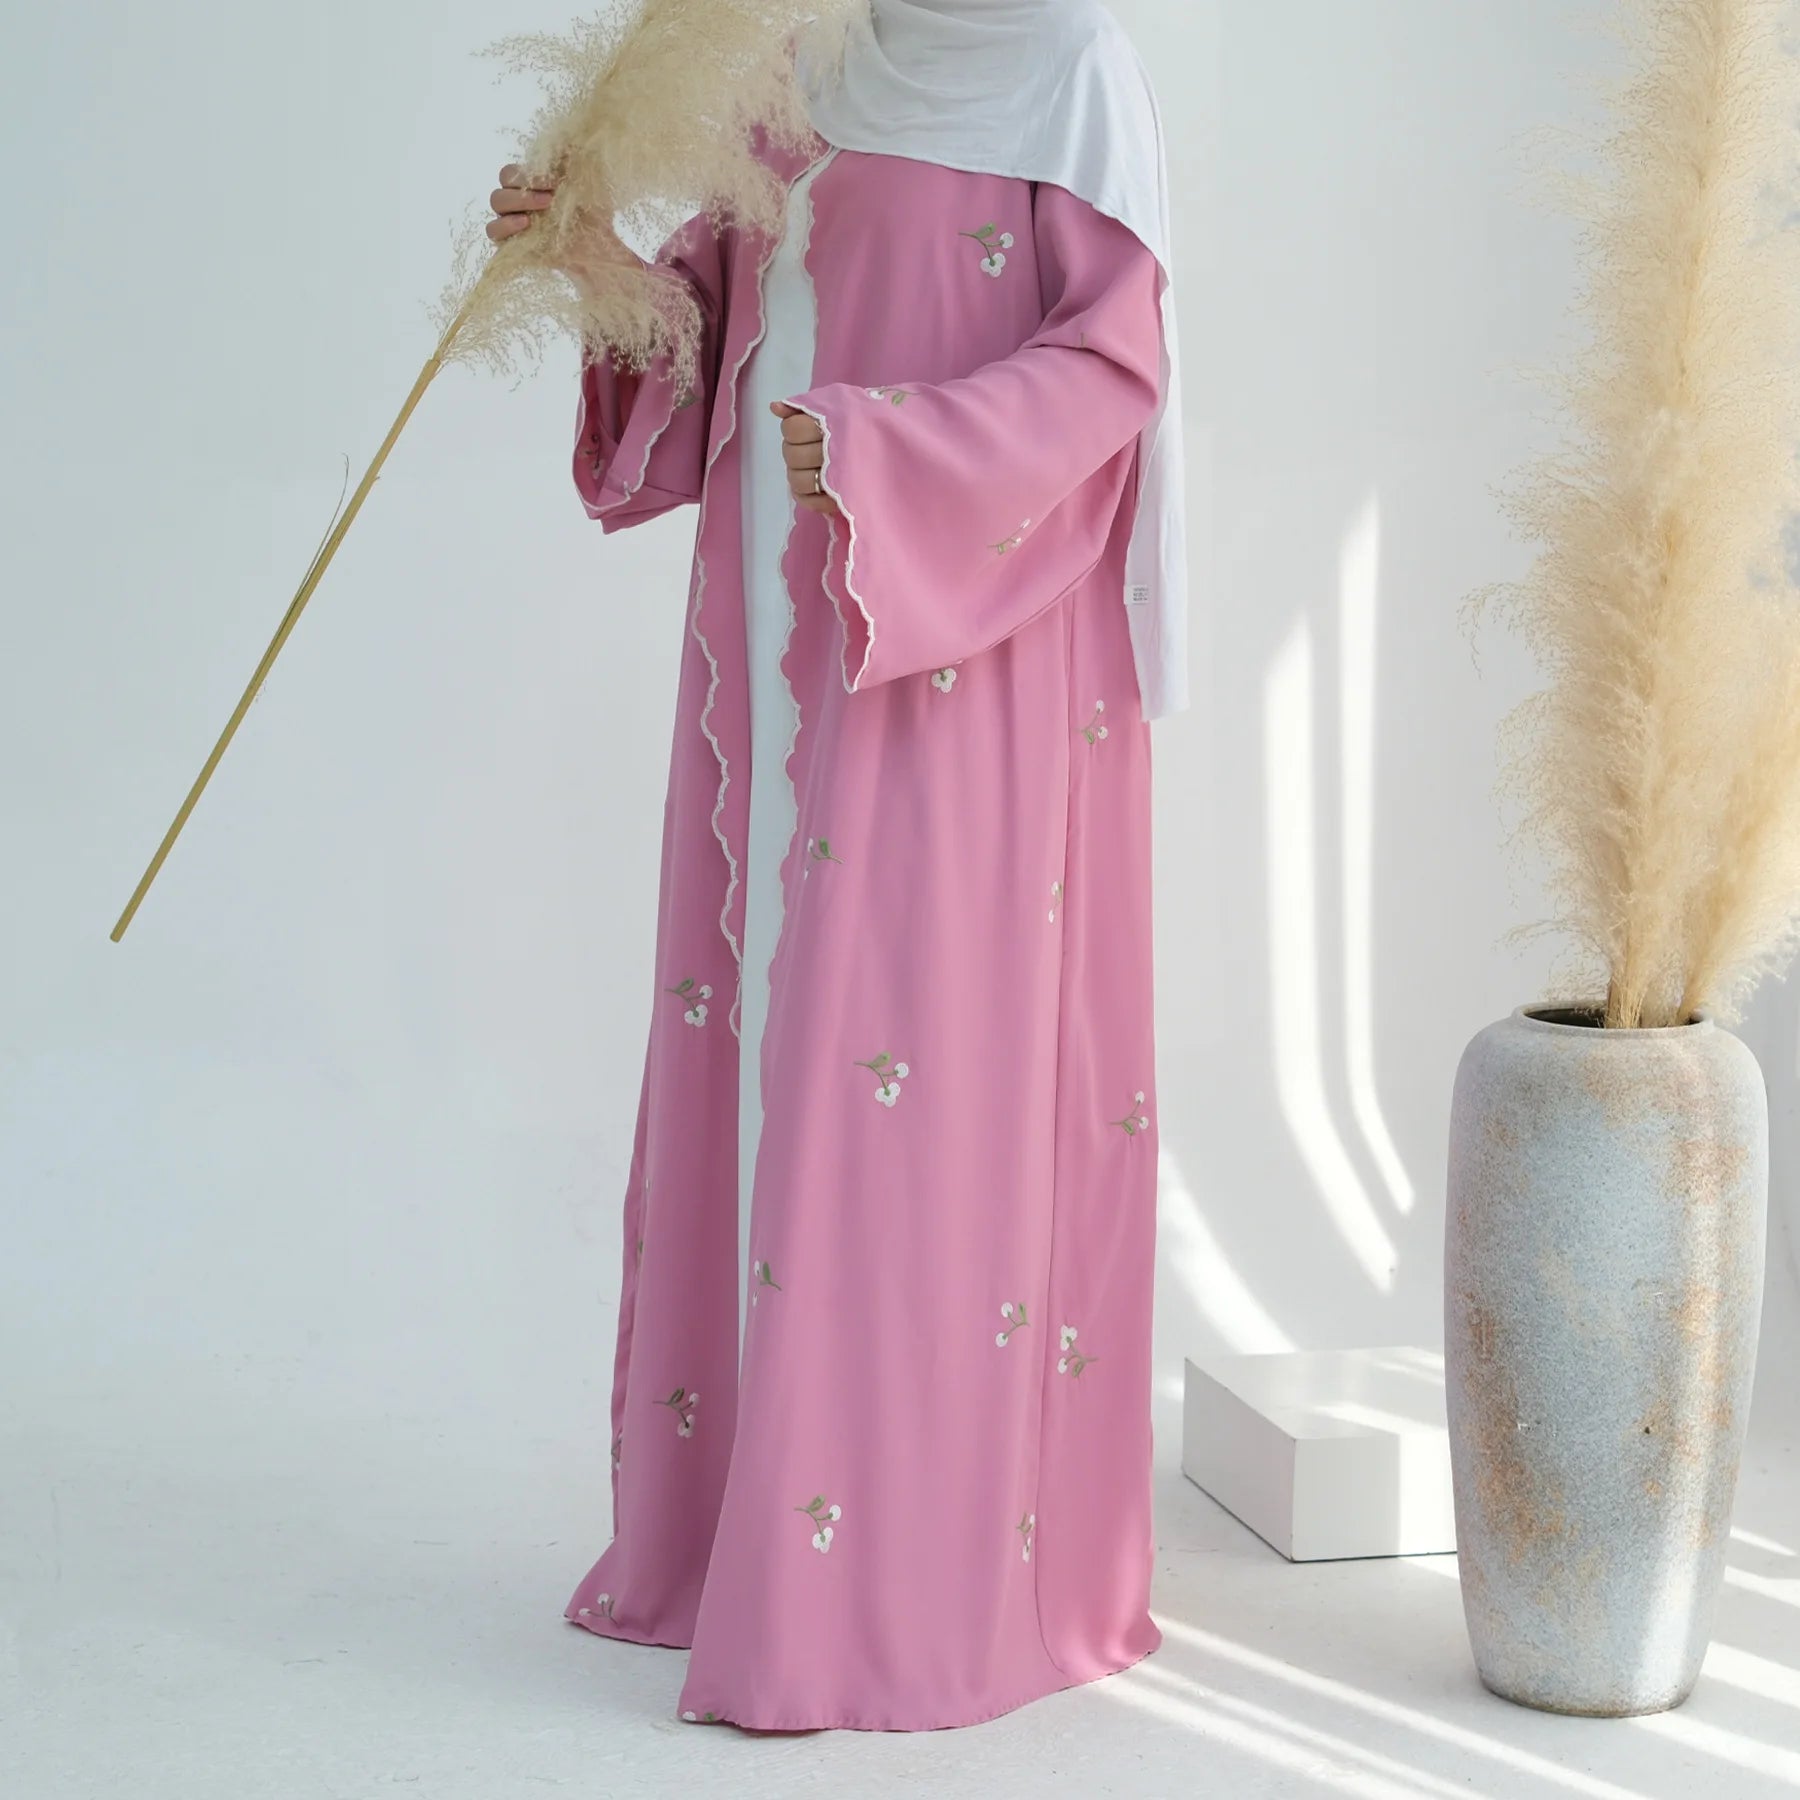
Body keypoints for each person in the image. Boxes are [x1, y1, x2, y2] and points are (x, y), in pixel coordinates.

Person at [487, 0, 1188, 1733]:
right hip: (771, 629)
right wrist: (588, 259)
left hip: (961, 651)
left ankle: (898, 1585)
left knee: (911, 1070)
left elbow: (1113, 369)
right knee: (768, 1058)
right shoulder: (802, 50)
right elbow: (717, 324)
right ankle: (755, 1541)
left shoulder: (1068, 69)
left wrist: (887, 457)